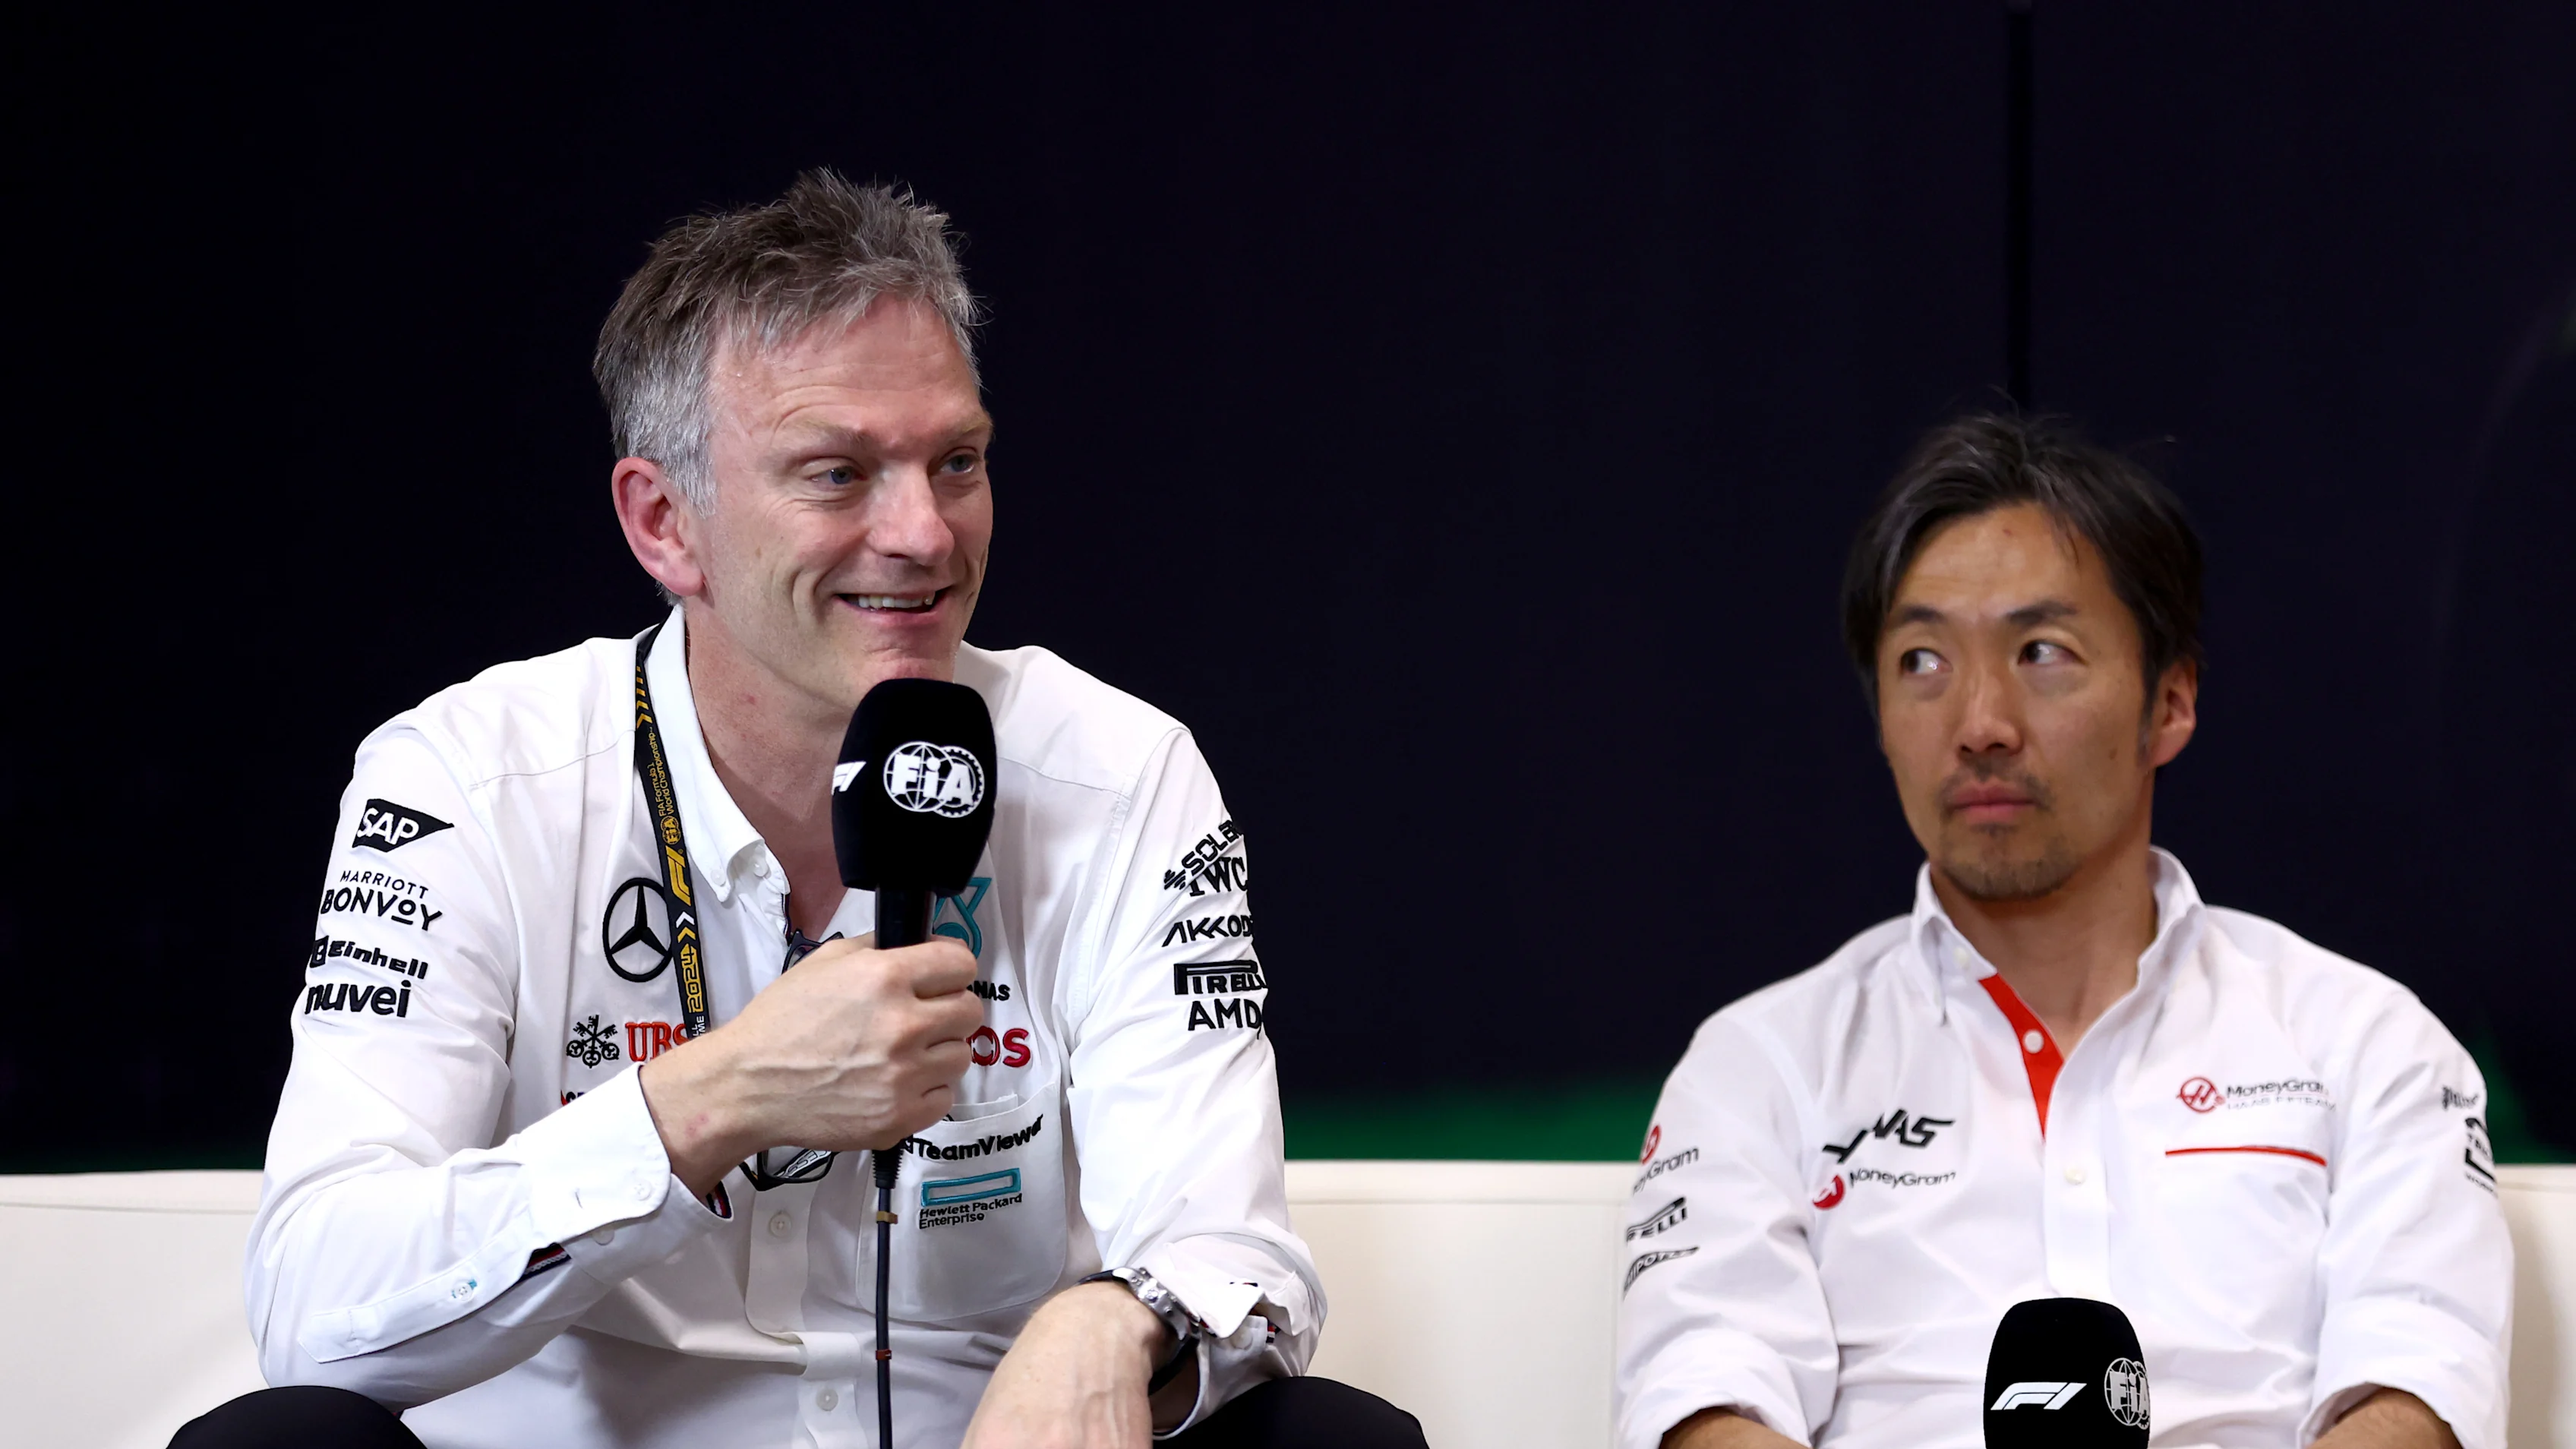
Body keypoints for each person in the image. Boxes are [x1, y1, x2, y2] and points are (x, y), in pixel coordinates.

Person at [185, 172, 1422, 1449]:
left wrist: (1112, 1320)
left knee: (1330, 1439)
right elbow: (316, 1305)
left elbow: (1235, 1255)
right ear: (666, 523)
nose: (925, 534)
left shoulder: (1116, 772)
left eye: (958, 462)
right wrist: (710, 1105)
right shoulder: (468, 780)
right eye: (838, 475)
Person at [1615, 415, 2511, 1449]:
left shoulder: (2366, 1044)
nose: (1980, 720)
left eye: (2041, 652)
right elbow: (1705, 1402)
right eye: (1921, 661)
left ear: (2170, 703)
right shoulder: (1759, 1067)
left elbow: (2414, 1391)